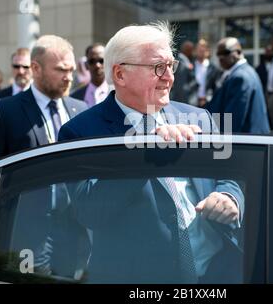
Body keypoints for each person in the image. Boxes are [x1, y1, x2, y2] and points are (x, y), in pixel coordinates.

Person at [58, 22, 244, 283]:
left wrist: (229, 197)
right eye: (158, 67)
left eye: (171, 65)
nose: (169, 77)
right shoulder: (80, 132)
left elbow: (231, 174)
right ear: (120, 75)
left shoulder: (199, 117)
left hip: (219, 272)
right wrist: (146, 155)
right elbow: (90, 211)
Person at [0, 35, 88, 168]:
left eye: (71, 70)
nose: (69, 78)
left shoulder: (81, 109)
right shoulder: (3, 111)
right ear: (36, 68)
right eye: (61, 69)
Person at [206, 37, 270, 134]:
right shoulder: (241, 72)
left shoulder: (240, 77)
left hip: (248, 143)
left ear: (239, 52)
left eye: (226, 53)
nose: (221, 57)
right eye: (218, 54)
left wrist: (219, 143)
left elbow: (231, 120)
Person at [71, 43, 109, 107]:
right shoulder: (74, 97)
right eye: (92, 61)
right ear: (86, 65)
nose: (97, 65)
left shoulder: (120, 94)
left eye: (101, 61)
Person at [193, 39, 222, 107]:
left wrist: (208, 99)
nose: (201, 51)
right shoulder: (190, 67)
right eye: (199, 49)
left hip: (209, 103)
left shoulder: (214, 68)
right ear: (196, 50)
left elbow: (216, 87)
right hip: (192, 103)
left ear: (207, 51)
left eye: (204, 48)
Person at [169, 40, 199, 105]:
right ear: (189, 50)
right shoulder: (181, 63)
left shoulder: (185, 61)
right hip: (183, 101)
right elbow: (181, 86)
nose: (194, 52)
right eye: (192, 49)